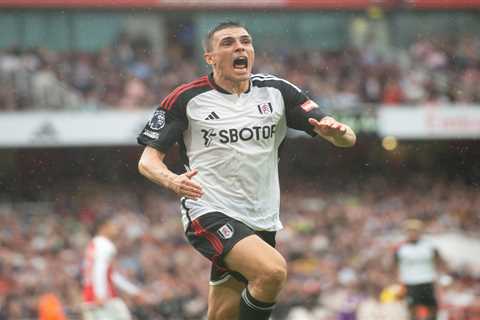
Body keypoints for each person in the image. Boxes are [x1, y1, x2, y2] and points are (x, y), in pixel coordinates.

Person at [137, 21, 356, 320]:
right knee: (272, 272)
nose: (239, 47)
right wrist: (172, 180)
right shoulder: (187, 99)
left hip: (260, 218)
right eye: (228, 43)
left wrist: (337, 133)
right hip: (209, 210)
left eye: (245, 41)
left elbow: (347, 138)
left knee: (222, 315)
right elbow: (147, 161)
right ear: (210, 57)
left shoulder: (276, 92)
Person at [82, 217, 143, 320]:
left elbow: (110, 274)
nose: (115, 228)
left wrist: (133, 291)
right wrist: (100, 295)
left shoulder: (93, 245)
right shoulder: (105, 245)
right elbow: (99, 269)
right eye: (112, 225)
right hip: (104, 299)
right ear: (103, 227)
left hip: (89, 297)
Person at [394, 219, 446, 320]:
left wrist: (441, 276)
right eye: (410, 231)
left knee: (432, 307)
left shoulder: (429, 245)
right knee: (412, 308)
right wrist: (398, 280)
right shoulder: (400, 248)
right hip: (410, 282)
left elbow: (439, 261)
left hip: (427, 280)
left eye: (415, 231)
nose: (413, 233)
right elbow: (395, 266)